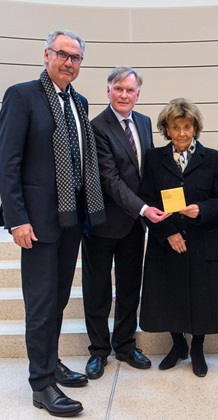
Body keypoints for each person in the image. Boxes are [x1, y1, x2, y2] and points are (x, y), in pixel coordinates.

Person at [0, 29, 106, 417]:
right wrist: (17, 220)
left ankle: (51, 361)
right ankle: (41, 384)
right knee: (41, 304)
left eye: (76, 57)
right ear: (46, 55)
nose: (69, 62)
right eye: (62, 54)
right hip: (38, 222)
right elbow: (6, 163)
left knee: (57, 299)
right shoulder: (22, 96)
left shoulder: (79, 101)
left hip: (71, 217)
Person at [81, 67, 168, 380]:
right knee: (98, 290)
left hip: (134, 224)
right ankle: (98, 352)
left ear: (138, 94)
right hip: (103, 222)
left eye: (130, 90)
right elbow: (109, 179)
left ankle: (125, 345)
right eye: (118, 89)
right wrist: (145, 209)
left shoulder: (144, 122)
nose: (124, 95)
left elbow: (148, 171)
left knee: (130, 287)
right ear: (108, 91)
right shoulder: (96, 127)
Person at [139, 98, 218, 377]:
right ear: (167, 128)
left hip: (202, 240)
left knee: (201, 296)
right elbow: (145, 201)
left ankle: (197, 348)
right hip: (166, 241)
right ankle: (178, 344)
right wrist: (168, 234)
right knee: (168, 295)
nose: (181, 133)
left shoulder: (213, 158)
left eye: (187, 127)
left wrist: (201, 209)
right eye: (175, 127)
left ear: (195, 127)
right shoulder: (154, 158)